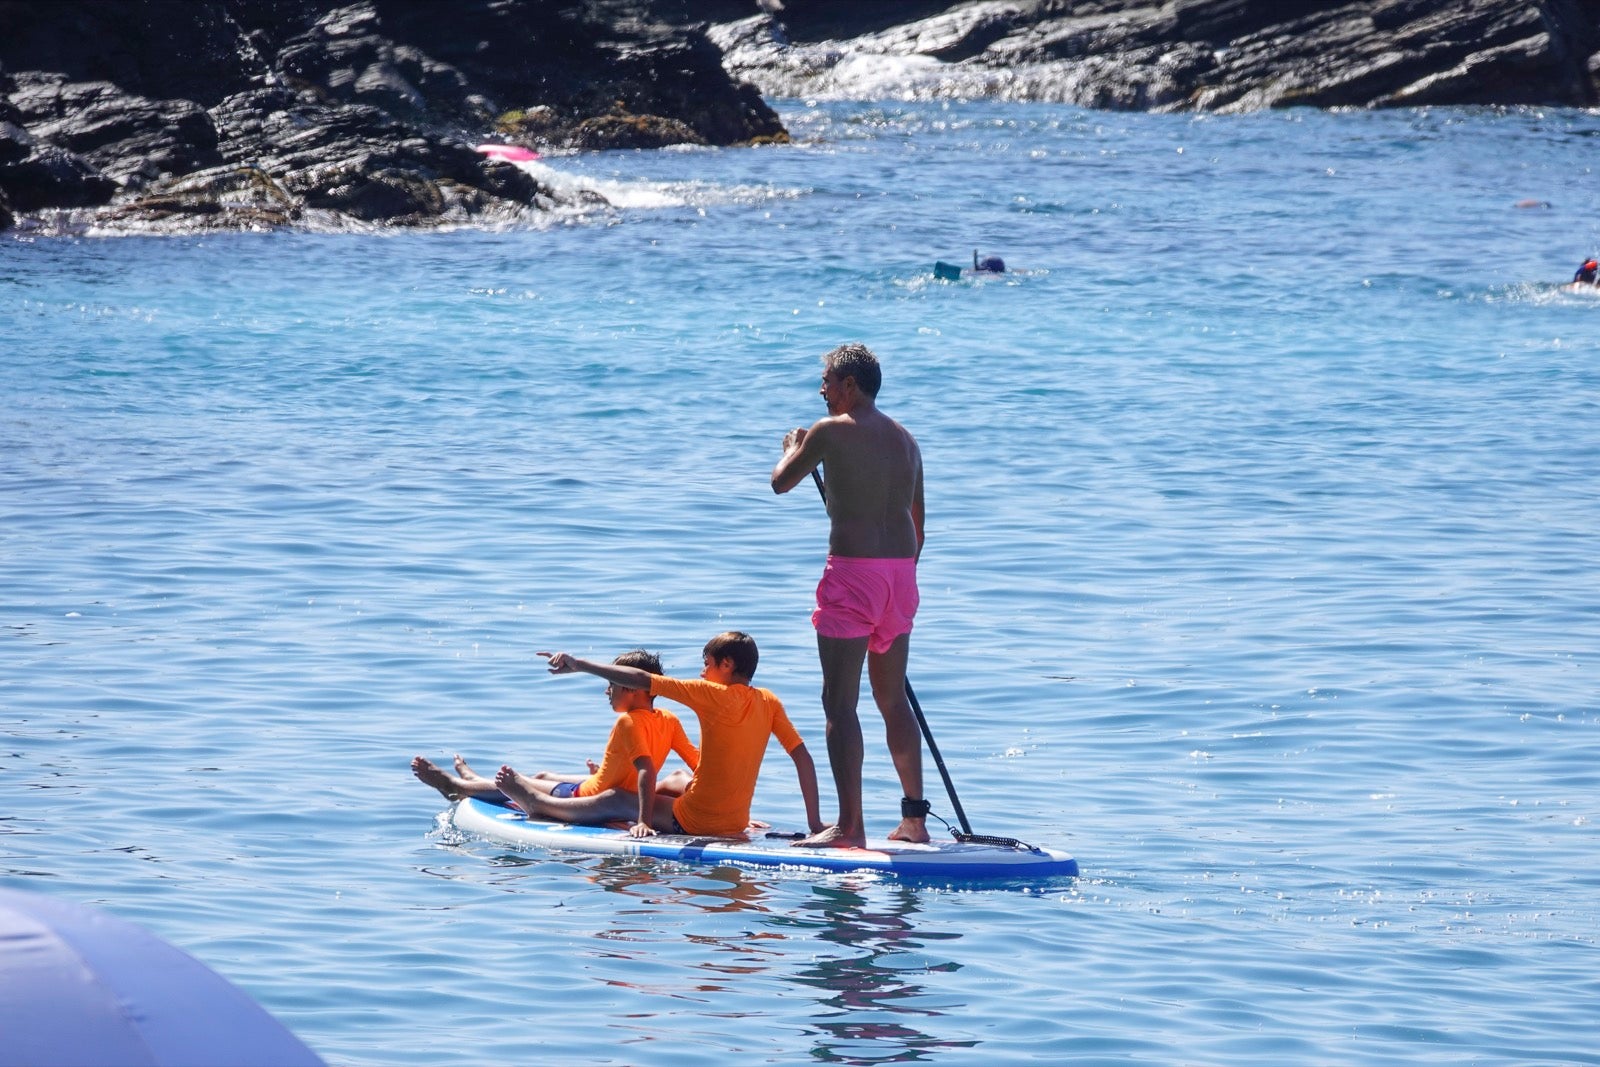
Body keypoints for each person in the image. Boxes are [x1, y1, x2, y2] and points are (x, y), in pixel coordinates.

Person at [770, 342, 928, 848]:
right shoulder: (906, 440)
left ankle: (849, 828)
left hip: (854, 576)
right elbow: (918, 526)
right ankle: (914, 822)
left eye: (827, 383)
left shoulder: (829, 431)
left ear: (850, 385)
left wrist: (793, 447)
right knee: (891, 699)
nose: (822, 391)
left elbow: (780, 483)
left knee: (839, 705)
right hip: (901, 576)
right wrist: (891, 577)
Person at [505, 631, 824, 839]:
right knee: (676, 776)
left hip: (693, 821)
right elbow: (802, 757)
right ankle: (600, 779)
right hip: (735, 820)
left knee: (616, 799)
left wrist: (582, 664)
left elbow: (642, 679)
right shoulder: (769, 702)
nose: (702, 672)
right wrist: (815, 825)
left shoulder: (708, 693)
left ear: (726, 665)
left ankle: (539, 803)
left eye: (707, 664)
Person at [411, 649, 698, 837]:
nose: (606, 690)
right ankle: (473, 780)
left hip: (585, 796)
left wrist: (644, 822)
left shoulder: (628, 721)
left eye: (612, 683)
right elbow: (696, 760)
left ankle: (456, 787)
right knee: (542, 777)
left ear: (633, 689)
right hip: (606, 785)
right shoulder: (669, 719)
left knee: (526, 782)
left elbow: (646, 769)